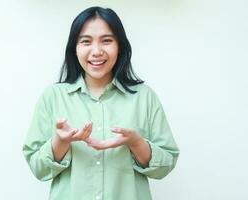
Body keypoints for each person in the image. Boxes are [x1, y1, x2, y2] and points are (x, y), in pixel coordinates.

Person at [22, 6, 179, 200]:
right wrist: (60, 142)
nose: (96, 51)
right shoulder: (52, 97)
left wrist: (136, 143)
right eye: (86, 41)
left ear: (119, 46)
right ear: (75, 48)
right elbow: (38, 169)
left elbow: (166, 165)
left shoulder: (144, 97)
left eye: (107, 41)